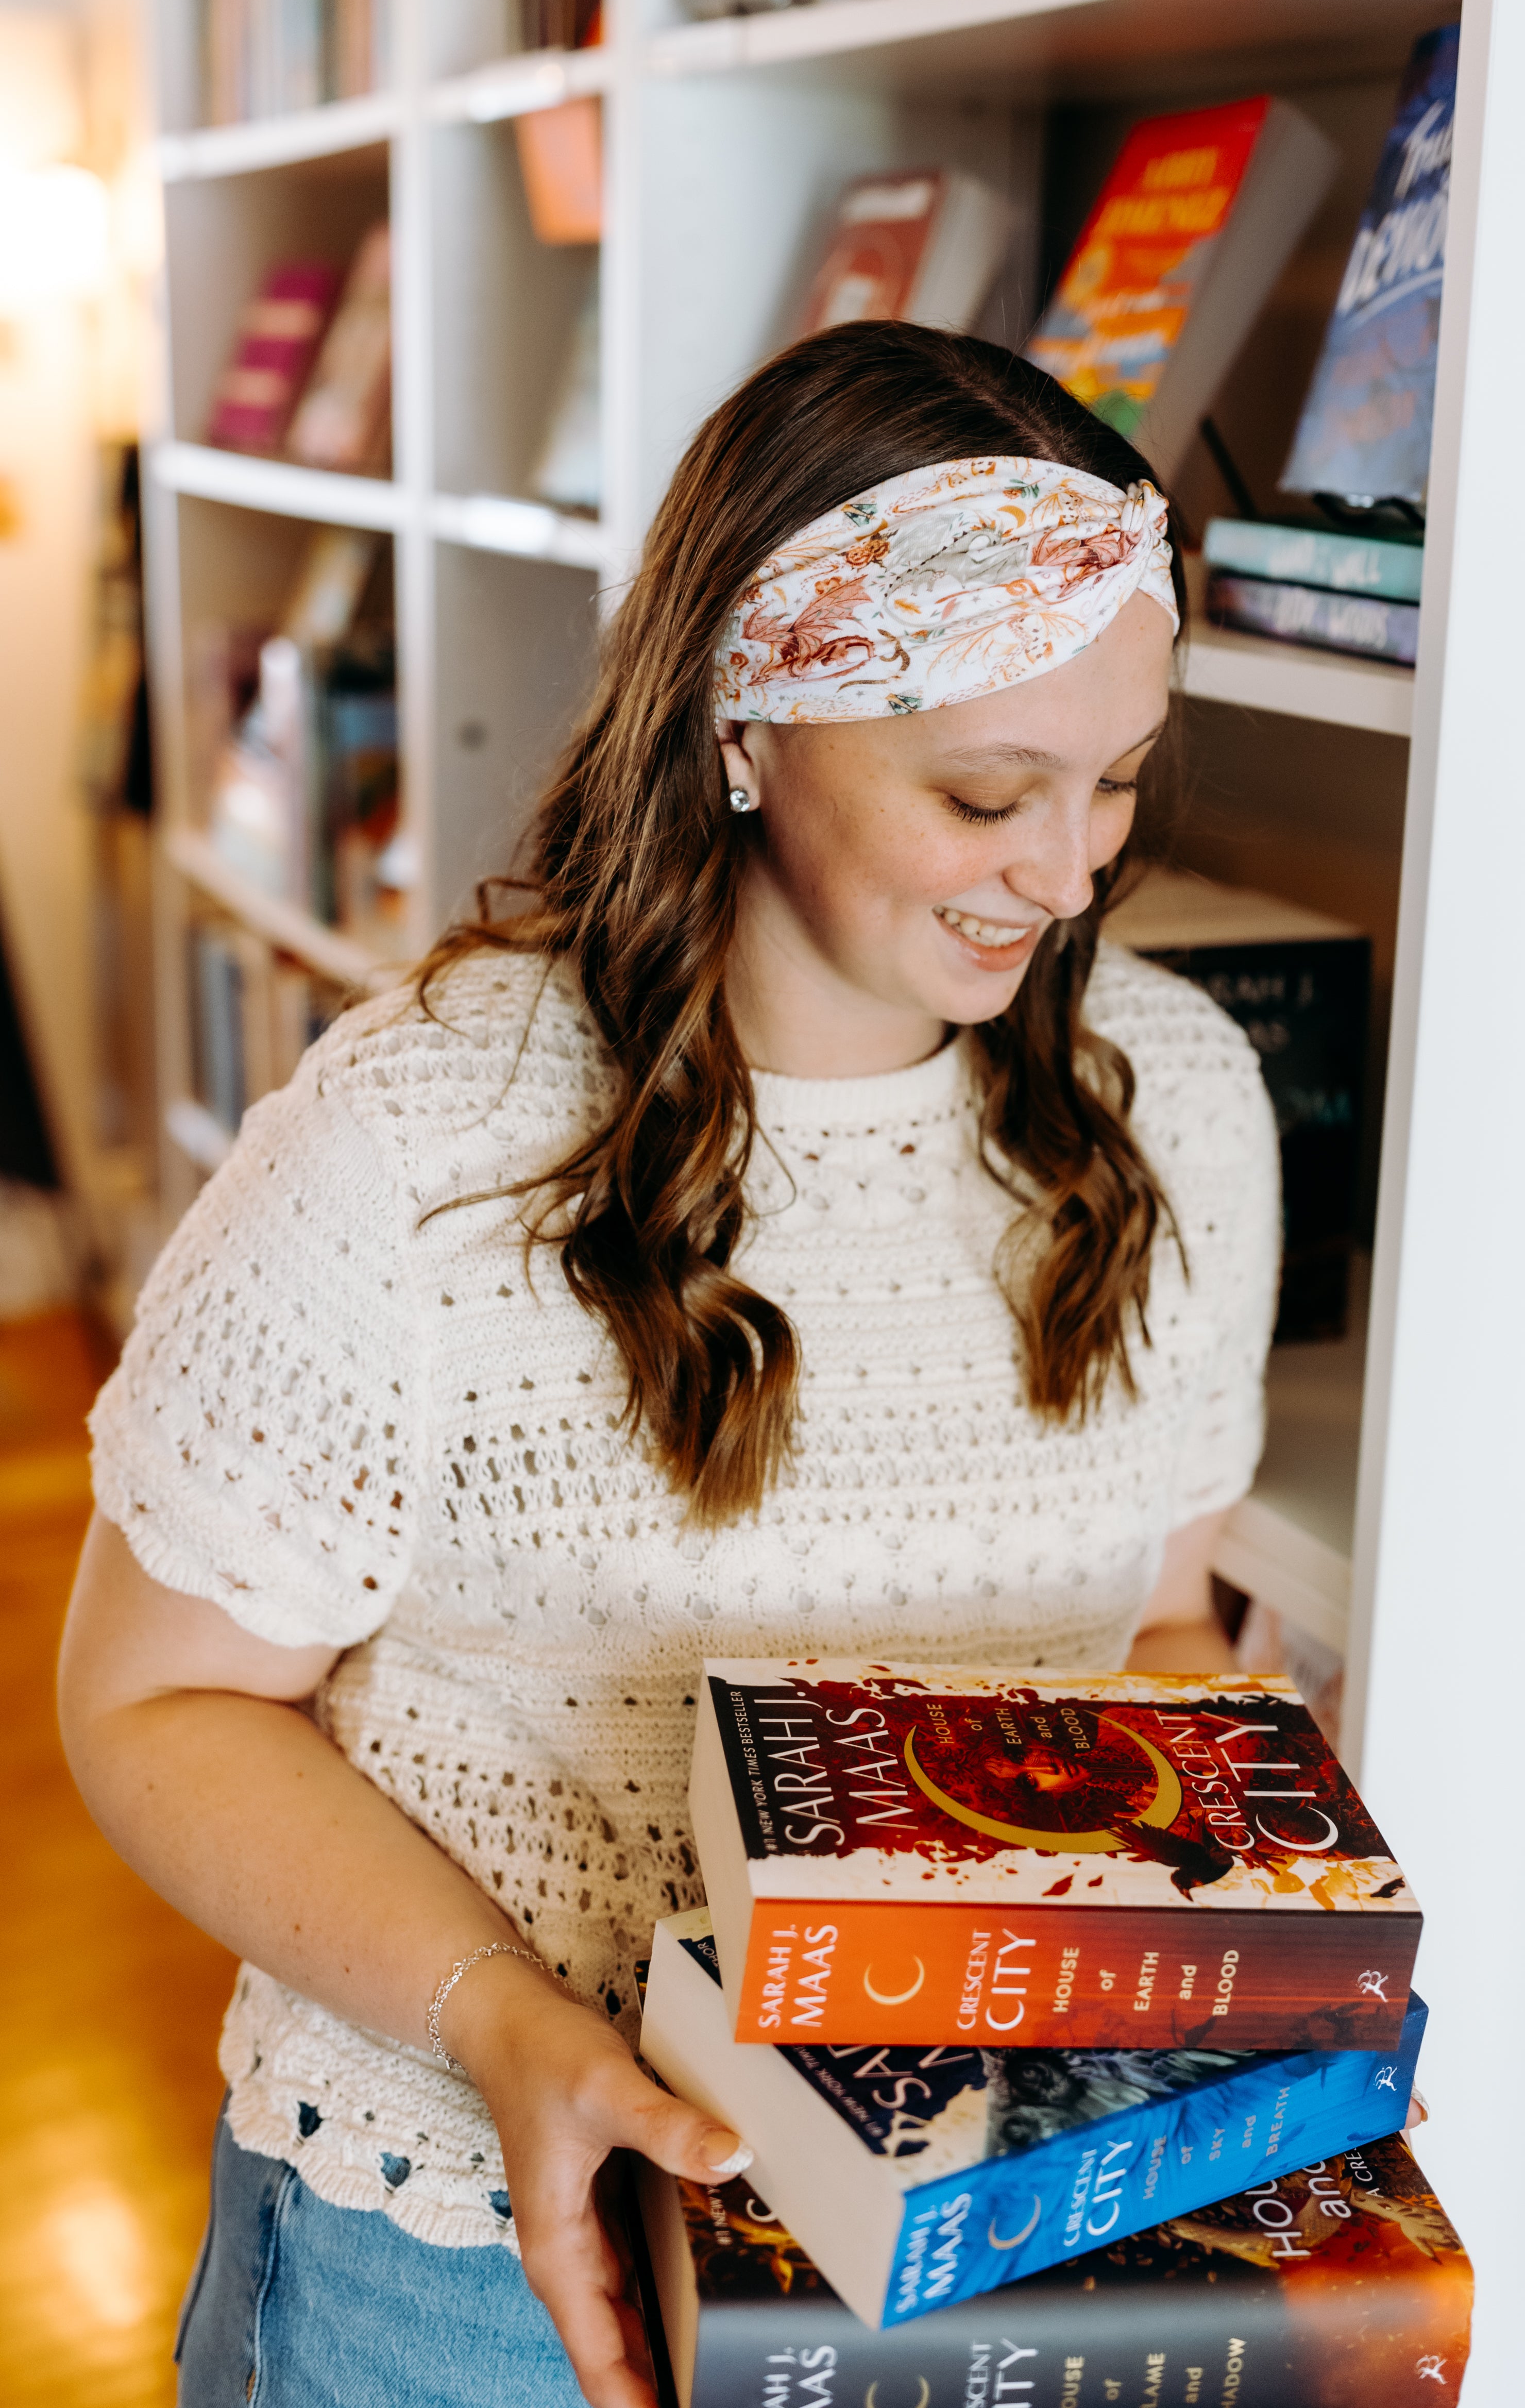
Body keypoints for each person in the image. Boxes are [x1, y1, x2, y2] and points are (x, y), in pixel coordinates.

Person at [59, 323, 1280, 2408]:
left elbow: (1159, 1627)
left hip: (971, 2234)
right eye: (990, 792)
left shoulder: (1174, 1098)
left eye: (1118, 780)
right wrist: (511, 2024)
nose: (1072, 872)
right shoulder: (421, 1141)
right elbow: (155, 1701)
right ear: (748, 717)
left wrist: (1226, 2007)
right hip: (470, 2255)